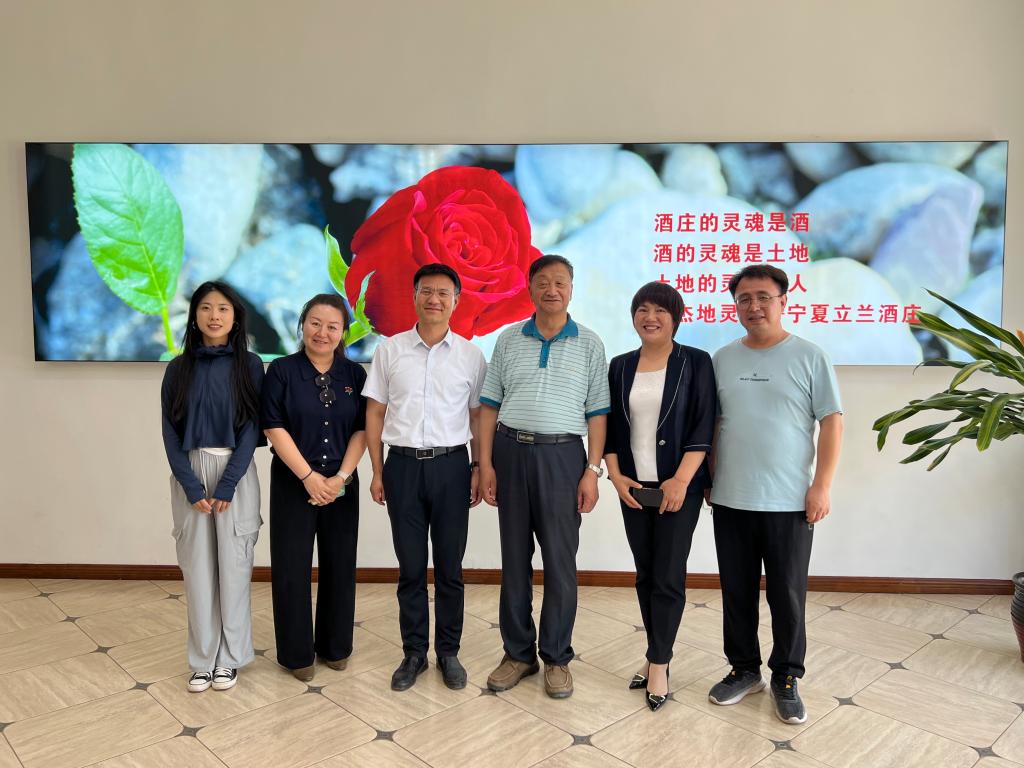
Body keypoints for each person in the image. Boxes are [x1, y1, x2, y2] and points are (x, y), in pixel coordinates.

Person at [706, 264, 843, 725]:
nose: (754, 306)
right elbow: (715, 425)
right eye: (744, 299)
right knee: (736, 592)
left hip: (789, 500)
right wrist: (709, 478)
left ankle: (786, 675)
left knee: (787, 595)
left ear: (783, 301)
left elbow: (832, 423)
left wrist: (821, 485)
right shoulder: (722, 358)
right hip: (731, 497)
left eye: (763, 297)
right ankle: (744, 669)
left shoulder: (809, 356)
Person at [478, 254, 610, 699]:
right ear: (529, 288)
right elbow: (489, 406)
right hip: (510, 452)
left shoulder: (590, 343)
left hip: (563, 457)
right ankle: (518, 654)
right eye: (543, 282)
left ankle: (556, 657)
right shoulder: (508, 339)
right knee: (514, 560)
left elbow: (597, 414)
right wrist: (486, 463)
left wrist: (592, 471)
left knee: (559, 562)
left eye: (560, 282)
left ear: (571, 289)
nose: (551, 290)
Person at [364, 263, 487, 692]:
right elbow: (375, 412)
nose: (435, 299)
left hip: (452, 467)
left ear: (456, 301)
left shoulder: (471, 356)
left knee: (450, 568)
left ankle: (448, 652)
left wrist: (478, 467)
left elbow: (478, 417)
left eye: (443, 293)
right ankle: (414, 652)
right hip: (402, 467)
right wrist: (377, 470)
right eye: (427, 291)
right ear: (414, 296)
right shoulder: (390, 350)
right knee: (411, 567)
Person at [605, 281, 716, 712]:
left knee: (668, 576)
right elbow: (611, 427)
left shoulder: (696, 362)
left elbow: (703, 424)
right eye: (642, 310)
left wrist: (682, 480)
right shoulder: (620, 366)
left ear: (675, 318)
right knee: (645, 574)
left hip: (678, 488)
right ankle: (656, 652)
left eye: (660, 311)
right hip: (634, 488)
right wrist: (616, 477)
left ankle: (659, 663)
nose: (650, 318)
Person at [161, 281, 265, 693]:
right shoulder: (177, 368)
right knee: (198, 571)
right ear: (195, 316)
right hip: (190, 473)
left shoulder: (250, 365)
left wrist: (228, 483)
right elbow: (169, 431)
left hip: (234, 472)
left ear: (235, 317)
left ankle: (231, 657)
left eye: (223, 308)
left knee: (234, 568)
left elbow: (253, 427)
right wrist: (190, 485)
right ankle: (202, 659)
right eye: (206, 308)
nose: (214, 315)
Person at [261, 294, 367, 682]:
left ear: (343, 333)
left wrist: (340, 477)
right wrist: (308, 476)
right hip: (293, 482)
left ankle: (336, 647)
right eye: (315, 323)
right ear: (302, 325)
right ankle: (297, 655)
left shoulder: (355, 375)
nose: (322, 332)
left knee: (340, 564)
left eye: (332, 326)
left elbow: (363, 429)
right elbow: (273, 427)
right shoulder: (281, 371)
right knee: (291, 567)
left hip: (342, 484)